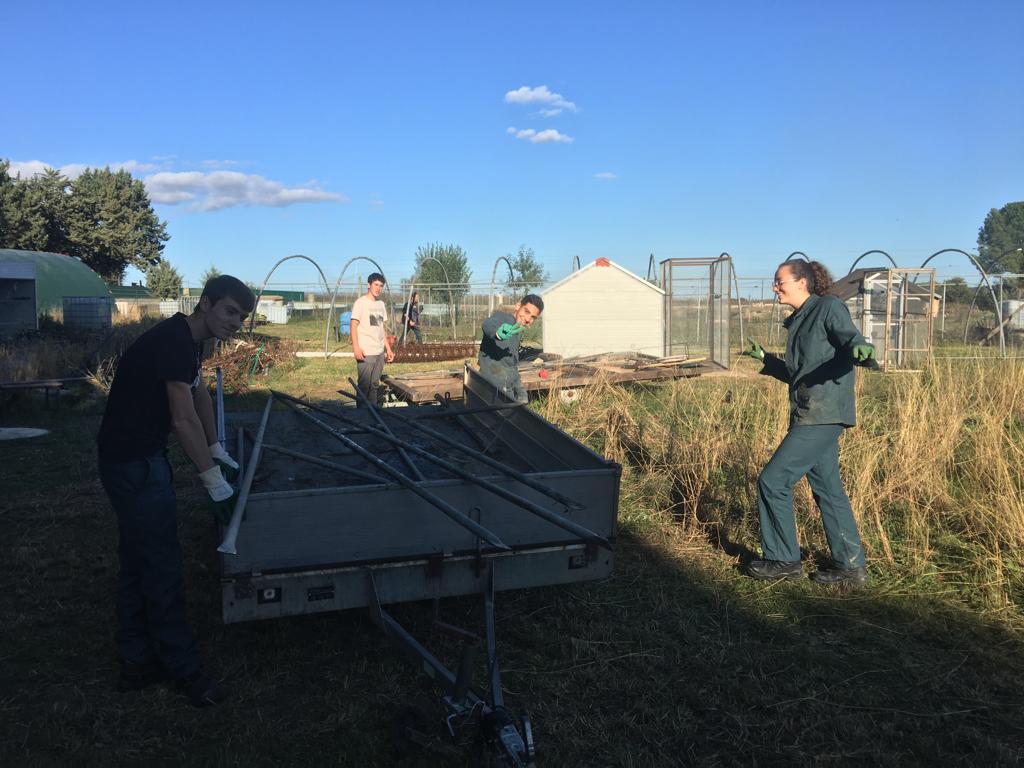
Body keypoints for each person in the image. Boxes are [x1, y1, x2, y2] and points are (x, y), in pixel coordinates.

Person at [97, 275, 255, 706]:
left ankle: (135, 662)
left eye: (242, 317)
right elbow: (182, 418)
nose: (236, 322)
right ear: (205, 304)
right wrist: (213, 482)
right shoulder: (172, 342)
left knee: (137, 559)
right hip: (134, 464)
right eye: (229, 311)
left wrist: (217, 448)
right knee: (163, 565)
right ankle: (182, 668)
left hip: (133, 456)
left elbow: (198, 394)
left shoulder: (190, 341)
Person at [743, 259, 875, 587]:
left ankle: (783, 559)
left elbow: (850, 339)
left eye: (779, 281)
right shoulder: (800, 321)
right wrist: (766, 360)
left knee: (773, 481)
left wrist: (861, 347)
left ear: (802, 282)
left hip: (821, 413)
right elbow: (797, 373)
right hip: (813, 411)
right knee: (828, 489)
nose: (775, 287)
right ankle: (851, 568)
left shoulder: (828, 308)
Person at [478, 294, 543, 403]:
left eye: (533, 317)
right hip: (492, 391)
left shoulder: (516, 332)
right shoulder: (503, 319)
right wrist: (497, 334)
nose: (528, 319)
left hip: (506, 389)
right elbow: (487, 324)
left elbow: (511, 364)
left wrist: (520, 389)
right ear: (518, 306)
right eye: (526, 312)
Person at [350, 272, 395, 405]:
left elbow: (380, 328)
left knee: (374, 385)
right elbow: (353, 326)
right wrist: (356, 348)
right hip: (366, 352)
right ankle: (361, 416)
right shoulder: (361, 303)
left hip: (379, 352)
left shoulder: (380, 304)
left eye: (381, 286)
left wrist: (388, 349)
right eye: (376, 284)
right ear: (369, 285)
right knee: (364, 386)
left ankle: (373, 412)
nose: (378, 288)